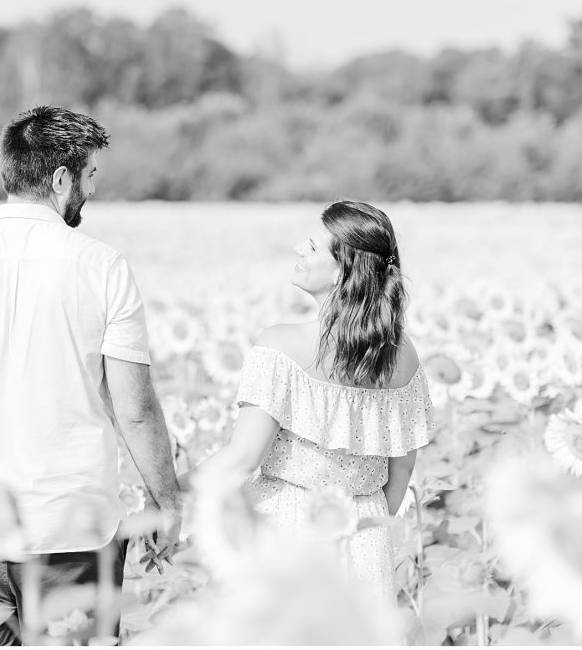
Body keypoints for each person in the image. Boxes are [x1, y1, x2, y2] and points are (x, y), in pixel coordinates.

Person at [0, 105, 182, 645]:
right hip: (67, 524)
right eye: (91, 176)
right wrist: (167, 502)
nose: (92, 189)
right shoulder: (102, 265)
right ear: (62, 178)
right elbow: (133, 407)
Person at [180, 200, 435, 610]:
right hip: (365, 532)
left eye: (313, 247)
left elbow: (242, 458)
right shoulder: (404, 356)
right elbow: (402, 467)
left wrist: (168, 493)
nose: (299, 248)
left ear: (341, 271)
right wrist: (359, 523)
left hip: (287, 524)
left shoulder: (281, 344)